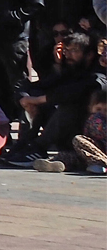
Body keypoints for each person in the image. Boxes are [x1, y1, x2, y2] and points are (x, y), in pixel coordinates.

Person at [10, 31, 105, 168]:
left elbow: (75, 91)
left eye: (74, 51)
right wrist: (24, 99)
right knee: (36, 95)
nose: (69, 55)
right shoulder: (71, 68)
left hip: (92, 135)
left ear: (89, 55)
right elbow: (40, 85)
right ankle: (26, 144)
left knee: (68, 105)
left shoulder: (99, 73)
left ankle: (39, 147)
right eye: (67, 50)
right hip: (69, 135)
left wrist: (37, 100)